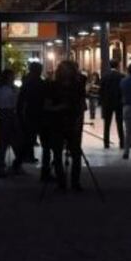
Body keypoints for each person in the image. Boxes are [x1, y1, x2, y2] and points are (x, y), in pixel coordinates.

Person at [43, 60, 86, 190]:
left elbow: (82, 105)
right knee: (57, 154)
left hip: (73, 124)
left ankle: (75, 182)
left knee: (76, 155)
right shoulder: (52, 86)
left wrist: (78, 119)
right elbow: (47, 106)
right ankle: (61, 181)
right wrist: (60, 107)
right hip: (58, 124)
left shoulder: (78, 86)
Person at [0, 68, 23, 178]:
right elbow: (14, 102)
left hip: (2, 114)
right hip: (8, 113)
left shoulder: (0, 89)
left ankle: (1, 165)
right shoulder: (10, 90)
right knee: (12, 141)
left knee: (3, 142)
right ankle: (13, 165)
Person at [17, 61, 47, 166]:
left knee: (29, 137)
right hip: (37, 112)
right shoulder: (39, 82)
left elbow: (21, 98)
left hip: (29, 112)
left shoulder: (27, 81)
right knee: (32, 137)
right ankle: (25, 158)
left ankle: (24, 158)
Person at [99, 60, 124, 150]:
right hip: (119, 103)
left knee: (107, 124)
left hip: (107, 103)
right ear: (117, 66)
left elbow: (101, 90)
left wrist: (101, 102)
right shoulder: (121, 76)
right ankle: (122, 142)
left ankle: (106, 143)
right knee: (120, 123)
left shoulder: (105, 76)